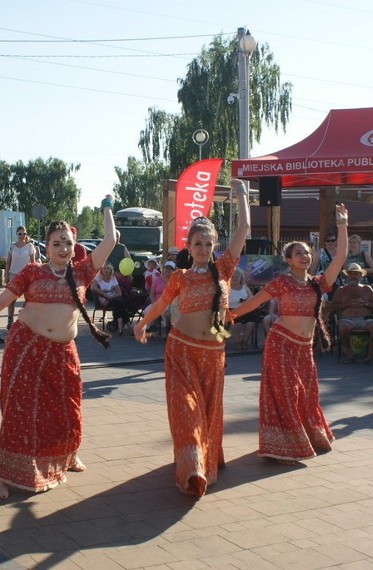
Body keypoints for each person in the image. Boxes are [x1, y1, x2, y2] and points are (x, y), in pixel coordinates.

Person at [0, 196, 117, 500]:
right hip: (26, 347)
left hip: (63, 352)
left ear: (74, 246)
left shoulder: (82, 272)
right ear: (46, 246)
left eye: (68, 243)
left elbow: (111, 239)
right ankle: (4, 477)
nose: (63, 248)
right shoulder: (32, 272)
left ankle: (68, 454)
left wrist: (106, 208)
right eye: (57, 243)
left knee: (68, 407)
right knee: (18, 411)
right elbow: (1, 301)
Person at [132, 179, 250, 497]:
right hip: (181, 351)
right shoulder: (180, 277)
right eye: (198, 244)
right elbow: (160, 304)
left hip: (213, 354)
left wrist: (240, 196)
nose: (203, 249)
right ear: (188, 246)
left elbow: (243, 230)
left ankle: (206, 459)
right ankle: (192, 469)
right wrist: (142, 323)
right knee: (187, 412)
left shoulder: (223, 269)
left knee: (209, 413)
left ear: (214, 246)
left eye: (208, 244)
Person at [229, 203, 349, 465]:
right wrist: (231, 315)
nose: (304, 256)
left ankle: (304, 437)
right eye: (298, 253)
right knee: (286, 393)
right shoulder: (281, 282)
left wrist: (342, 225)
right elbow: (256, 301)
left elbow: (340, 258)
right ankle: (284, 446)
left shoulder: (319, 283)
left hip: (304, 348)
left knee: (306, 394)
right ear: (288, 259)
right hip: (281, 343)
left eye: (306, 252)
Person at [330, 263, 373, 365]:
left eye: (356, 274)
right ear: (347, 275)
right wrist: (348, 304)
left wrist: (365, 303)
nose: (354, 276)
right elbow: (333, 307)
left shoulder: (367, 288)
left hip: (365, 319)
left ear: (361, 276)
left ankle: (370, 356)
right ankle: (350, 354)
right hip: (348, 319)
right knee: (343, 327)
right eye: (351, 274)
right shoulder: (341, 290)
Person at [4, 226, 39, 329]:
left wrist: (34, 276)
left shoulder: (30, 246)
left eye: (24, 234)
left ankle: (28, 320)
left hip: (26, 274)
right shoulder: (12, 246)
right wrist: (6, 275)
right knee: (11, 299)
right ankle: (10, 320)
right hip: (13, 274)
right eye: (20, 234)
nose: (22, 236)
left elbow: (33, 262)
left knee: (28, 298)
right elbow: (8, 261)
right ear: (17, 234)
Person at [91, 263, 130, 335]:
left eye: (108, 268)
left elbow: (119, 293)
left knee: (118, 303)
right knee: (120, 304)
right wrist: (105, 295)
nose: (106, 270)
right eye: (104, 268)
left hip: (112, 299)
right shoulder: (98, 278)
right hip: (103, 301)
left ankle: (120, 327)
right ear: (101, 270)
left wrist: (109, 298)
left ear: (111, 270)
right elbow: (93, 288)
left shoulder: (113, 278)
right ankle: (128, 326)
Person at [228, 271, 256, 351]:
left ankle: (245, 341)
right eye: (233, 277)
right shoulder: (227, 288)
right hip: (232, 310)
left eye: (237, 277)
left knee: (251, 320)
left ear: (241, 278)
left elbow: (252, 298)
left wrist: (245, 301)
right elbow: (223, 301)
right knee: (236, 322)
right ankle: (237, 341)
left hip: (245, 309)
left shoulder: (245, 287)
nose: (235, 278)